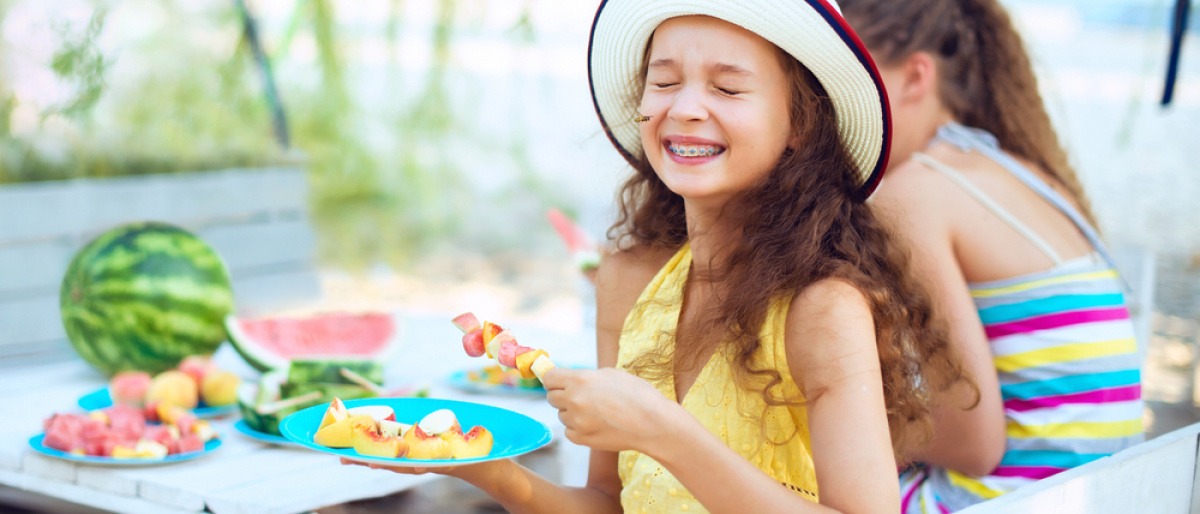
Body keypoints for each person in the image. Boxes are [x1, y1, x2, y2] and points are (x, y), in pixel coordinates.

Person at [345, 1, 971, 512]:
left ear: (800, 122)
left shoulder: (822, 307)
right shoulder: (628, 281)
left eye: (728, 86)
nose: (685, 107)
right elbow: (609, 503)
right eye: (664, 81)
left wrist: (663, 432)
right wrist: (485, 471)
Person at [838, 0, 1146, 511]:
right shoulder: (1026, 174)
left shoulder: (911, 195)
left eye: (848, 89)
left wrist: (828, 401)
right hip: (1097, 496)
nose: (834, 115)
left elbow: (973, 446)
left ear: (916, 77)